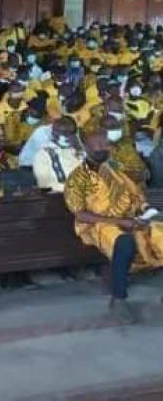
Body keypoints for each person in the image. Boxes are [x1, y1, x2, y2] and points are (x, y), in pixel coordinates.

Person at [64, 129, 163, 324]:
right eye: (98, 146)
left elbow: (136, 195)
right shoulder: (77, 178)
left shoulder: (115, 170)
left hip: (132, 219)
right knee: (125, 243)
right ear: (86, 148)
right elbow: (80, 214)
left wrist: (146, 210)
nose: (103, 148)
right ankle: (118, 300)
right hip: (98, 224)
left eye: (106, 145)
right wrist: (119, 222)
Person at [32, 117, 83, 193]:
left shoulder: (80, 150)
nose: (66, 135)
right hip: (59, 195)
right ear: (53, 133)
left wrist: (78, 148)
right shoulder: (43, 154)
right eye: (62, 132)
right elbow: (44, 186)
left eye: (70, 133)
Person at [101, 115, 147, 185]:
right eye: (110, 127)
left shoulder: (126, 144)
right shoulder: (100, 153)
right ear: (101, 130)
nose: (115, 129)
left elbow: (144, 173)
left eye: (116, 126)